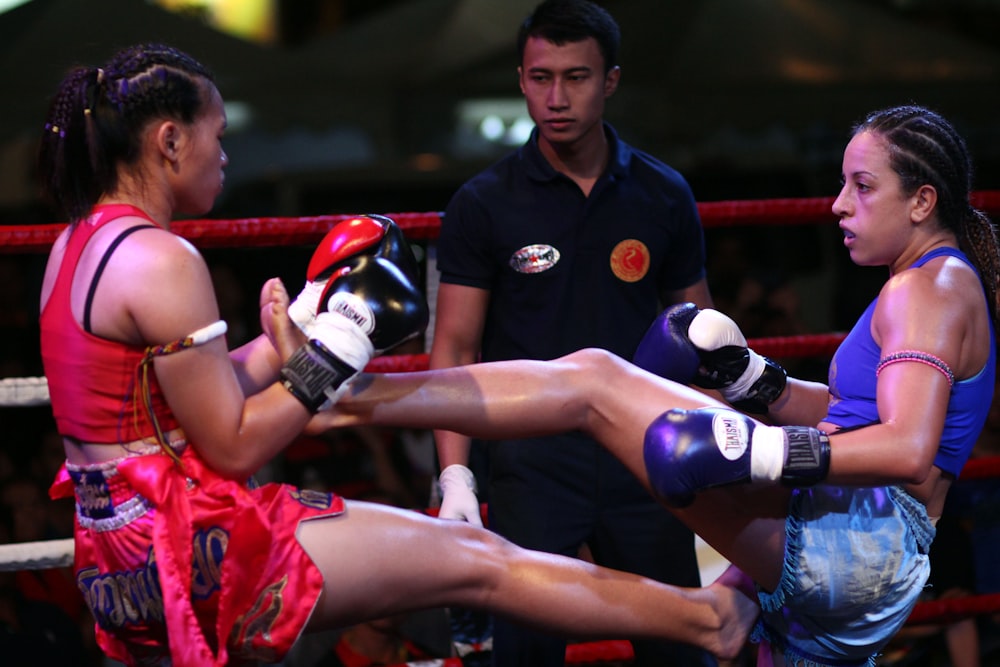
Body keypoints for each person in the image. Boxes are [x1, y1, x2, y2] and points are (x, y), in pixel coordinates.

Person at [34, 42, 759, 667]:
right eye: (215, 137)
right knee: (479, 561)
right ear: (168, 141)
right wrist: (339, 347)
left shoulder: (76, 247)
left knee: (471, 556)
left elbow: (179, 405)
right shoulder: (165, 260)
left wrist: (307, 320)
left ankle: (704, 618)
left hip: (119, 561)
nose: (224, 156)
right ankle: (712, 621)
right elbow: (230, 443)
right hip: (196, 550)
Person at [312, 104, 1000, 667]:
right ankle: (347, 394)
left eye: (862, 186)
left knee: (596, 379)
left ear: (922, 200)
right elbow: (865, 416)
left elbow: (909, 448)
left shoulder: (927, 290)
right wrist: (757, 382)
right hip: (861, 543)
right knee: (706, 608)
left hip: (861, 537)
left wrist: (767, 453)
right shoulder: (931, 281)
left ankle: (348, 393)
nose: (838, 204)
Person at [430, 1, 713, 663]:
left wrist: (718, 448)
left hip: (647, 453)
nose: (556, 97)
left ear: (610, 80)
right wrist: (456, 480)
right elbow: (456, 348)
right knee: (527, 652)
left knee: (680, 643)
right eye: (540, 77)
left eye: (576, 77)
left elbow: (702, 333)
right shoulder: (482, 202)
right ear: (522, 79)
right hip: (531, 464)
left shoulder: (663, 194)